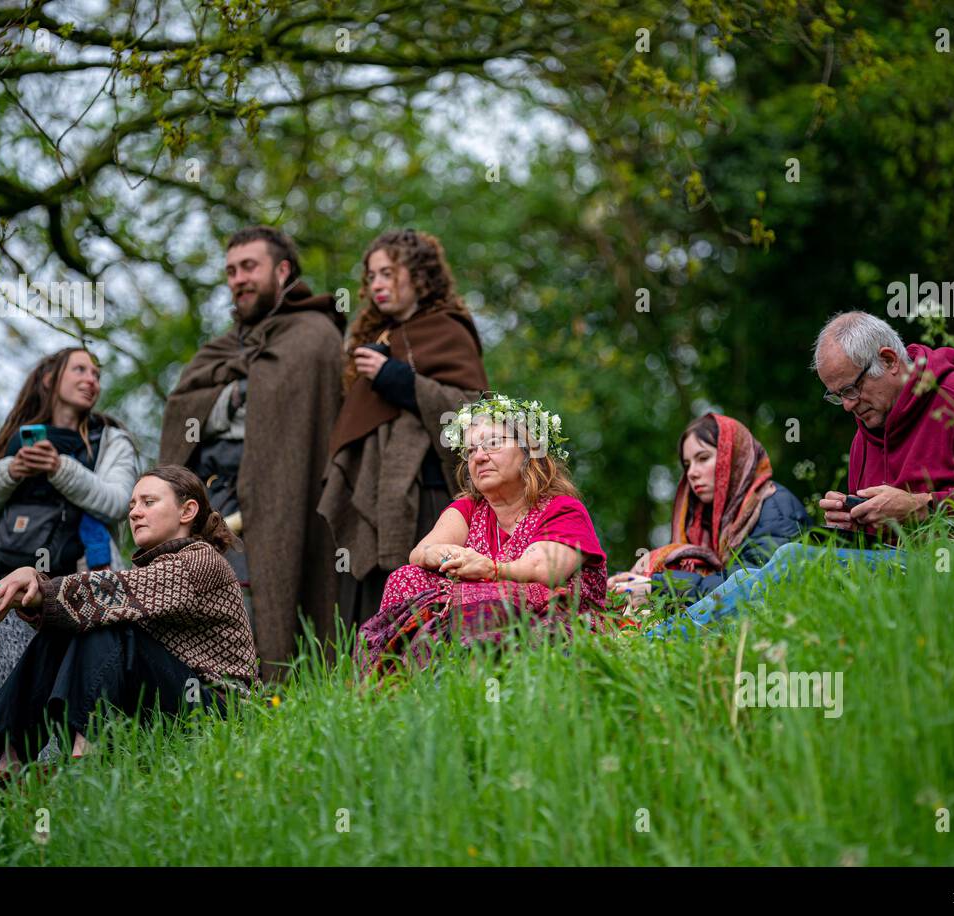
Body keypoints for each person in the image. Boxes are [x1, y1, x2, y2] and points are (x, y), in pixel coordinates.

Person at [658, 311, 954, 632]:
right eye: (837, 395)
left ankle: (665, 644)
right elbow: (876, 548)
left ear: (890, 361)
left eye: (851, 390)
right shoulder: (864, 437)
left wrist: (923, 505)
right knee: (745, 578)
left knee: (794, 560)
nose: (846, 406)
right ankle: (660, 640)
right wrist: (854, 521)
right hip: (896, 576)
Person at [0, 465, 258, 788]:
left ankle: (85, 760)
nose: (134, 513)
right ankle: (10, 768)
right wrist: (29, 592)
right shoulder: (158, 569)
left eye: (148, 502)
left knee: (108, 617)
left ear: (187, 511)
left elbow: (114, 593)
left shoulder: (203, 561)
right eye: (131, 505)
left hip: (220, 715)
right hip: (174, 702)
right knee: (74, 623)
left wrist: (33, 587)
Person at [158, 226, 344, 677]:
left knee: (257, 601)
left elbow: (305, 418)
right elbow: (184, 402)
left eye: (249, 267)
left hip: (285, 495)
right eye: (230, 271)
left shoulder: (315, 334)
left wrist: (247, 391)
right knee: (192, 601)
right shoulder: (223, 346)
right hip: (212, 494)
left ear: (282, 271)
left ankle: (265, 700)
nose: (238, 279)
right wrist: (233, 398)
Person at [355, 395, 606, 677]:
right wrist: (450, 557)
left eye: (493, 444)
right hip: (472, 619)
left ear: (529, 450)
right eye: (471, 450)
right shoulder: (469, 509)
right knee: (406, 577)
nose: (479, 456)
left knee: (484, 593)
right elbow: (421, 552)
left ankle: (481, 681)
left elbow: (543, 568)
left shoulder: (563, 509)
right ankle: (412, 678)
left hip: (549, 619)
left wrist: (488, 569)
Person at [319, 229, 488, 634]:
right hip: (371, 494)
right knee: (367, 609)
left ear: (420, 276)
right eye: (371, 276)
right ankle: (366, 684)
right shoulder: (373, 338)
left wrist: (399, 379)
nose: (376, 285)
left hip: (426, 493)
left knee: (420, 596)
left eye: (388, 273)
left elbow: (472, 412)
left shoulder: (448, 330)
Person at [0, 347, 139, 687]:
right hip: (11, 585)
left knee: (82, 689)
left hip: (84, 579)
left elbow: (117, 504)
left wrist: (58, 468)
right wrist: (10, 471)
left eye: (96, 375)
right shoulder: (18, 441)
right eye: (80, 370)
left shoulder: (112, 441)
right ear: (48, 379)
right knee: (16, 690)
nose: (91, 380)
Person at [607, 413, 810, 607]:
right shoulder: (707, 521)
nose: (692, 473)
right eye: (687, 465)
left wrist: (660, 588)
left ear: (733, 457)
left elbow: (753, 587)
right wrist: (630, 585)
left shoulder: (775, 508)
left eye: (703, 458)